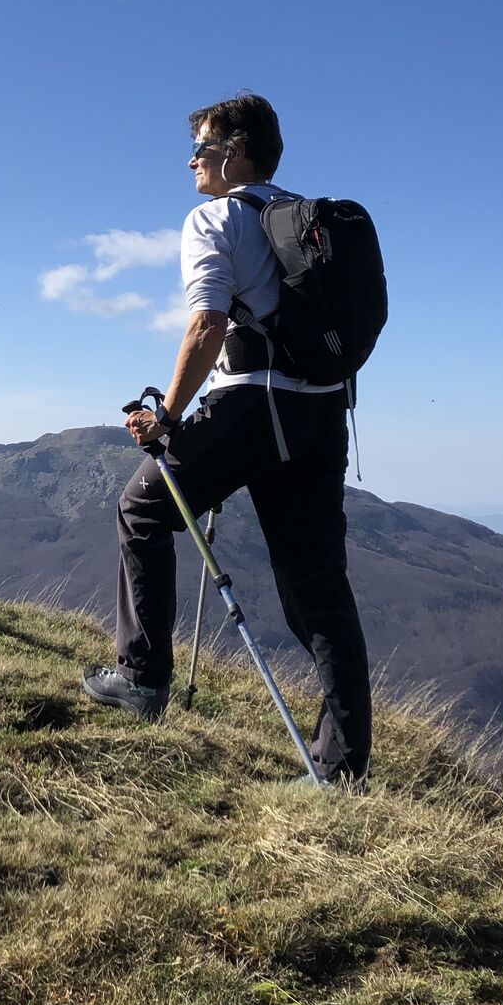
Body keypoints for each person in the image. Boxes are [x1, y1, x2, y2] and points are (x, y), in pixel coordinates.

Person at [81, 93, 372, 786]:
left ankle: (141, 679)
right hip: (322, 413)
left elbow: (207, 324)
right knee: (317, 585)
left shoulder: (214, 219)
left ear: (235, 153)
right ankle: (341, 769)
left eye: (202, 149)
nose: (192, 162)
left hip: (251, 404)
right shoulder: (307, 222)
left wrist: (167, 415)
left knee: (142, 509)